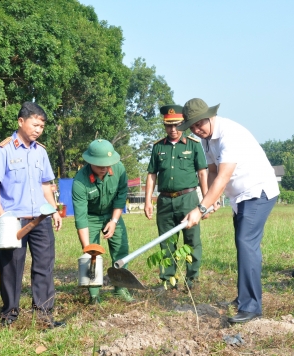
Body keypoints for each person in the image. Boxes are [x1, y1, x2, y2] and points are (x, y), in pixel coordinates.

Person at [178, 98, 279, 323]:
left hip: (257, 192)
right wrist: (209, 201)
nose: (196, 129)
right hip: (239, 197)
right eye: (192, 126)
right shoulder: (207, 139)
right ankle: (245, 297)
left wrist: (200, 207)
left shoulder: (229, 135)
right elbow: (212, 171)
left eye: (199, 124)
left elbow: (223, 177)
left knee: (246, 243)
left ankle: (251, 307)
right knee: (244, 244)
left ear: (210, 116)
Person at [0, 101, 64, 328]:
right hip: (14, 220)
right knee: (11, 268)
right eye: (35, 124)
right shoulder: (3, 150)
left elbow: (46, 185)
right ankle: (9, 315)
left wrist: (55, 211)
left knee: (44, 265)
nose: (38, 129)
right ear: (21, 122)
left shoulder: (41, 152)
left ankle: (44, 316)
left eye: (42, 126)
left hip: (40, 219)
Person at [144, 105, 208, 291]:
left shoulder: (193, 145)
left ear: (184, 125)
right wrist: (148, 200)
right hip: (164, 201)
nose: (173, 130)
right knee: (166, 242)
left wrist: (206, 202)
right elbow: (151, 175)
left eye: (177, 125)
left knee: (192, 240)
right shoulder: (158, 147)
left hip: (187, 200)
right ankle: (167, 280)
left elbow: (202, 174)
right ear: (164, 126)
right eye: (168, 126)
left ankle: (192, 280)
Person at [72, 139, 135, 304]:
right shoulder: (80, 181)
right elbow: (81, 216)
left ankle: (120, 288)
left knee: (121, 249)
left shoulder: (119, 170)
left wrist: (114, 221)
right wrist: (88, 248)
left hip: (111, 213)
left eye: (108, 164)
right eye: (100, 164)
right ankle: (94, 295)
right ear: (89, 161)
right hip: (91, 217)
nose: (104, 167)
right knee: (91, 254)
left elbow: (121, 197)